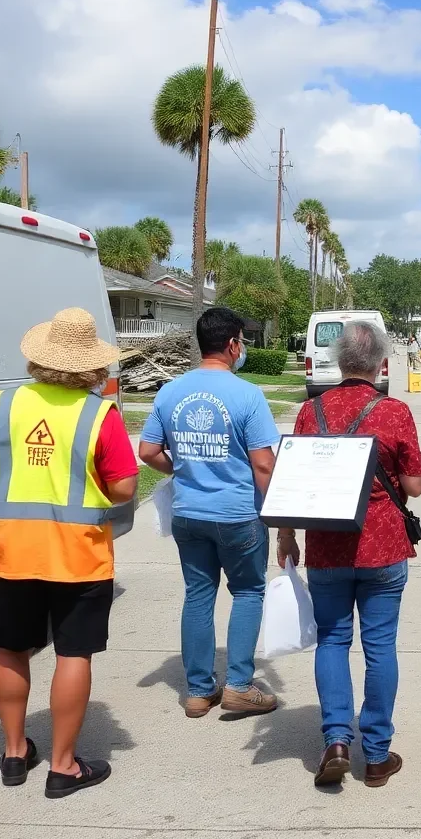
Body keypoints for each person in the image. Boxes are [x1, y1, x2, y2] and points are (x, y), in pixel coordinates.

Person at [0, 308, 139, 798]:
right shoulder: (97, 413)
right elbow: (125, 486)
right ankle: (64, 767)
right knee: (73, 652)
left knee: (10, 646)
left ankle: (15, 753)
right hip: (77, 554)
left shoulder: (4, 405)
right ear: (93, 365)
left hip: (13, 550)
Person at [276, 321, 421, 790]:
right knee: (380, 647)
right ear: (382, 363)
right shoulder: (394, 411)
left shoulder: (310, 412)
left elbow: (294, 482)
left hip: (327, 547)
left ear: (339, 361)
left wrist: (286, 537)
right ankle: (377, 754)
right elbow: (415, 485)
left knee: (333, 641)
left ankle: (337, 740)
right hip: (382, 547)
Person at [138, 307, 280, 720]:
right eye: (243, 341)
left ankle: (199, 691)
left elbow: (147, 451)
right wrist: (282, 521)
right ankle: (238, 685)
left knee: (198, 594)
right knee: (249, 591)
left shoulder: (170, 392)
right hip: (238, 514)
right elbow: (264, 466)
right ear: (233, 344)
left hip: (188, 512)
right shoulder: (247, 395)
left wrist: (181, 470)